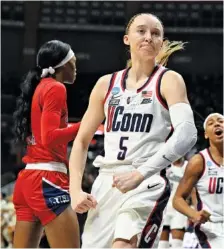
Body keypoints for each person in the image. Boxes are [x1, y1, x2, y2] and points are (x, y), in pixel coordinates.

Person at [69, 13, 197, 248]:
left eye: (156, 33)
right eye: (142, 31)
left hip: (146, 180)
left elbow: (187, 134)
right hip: (106, 183)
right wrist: (75, 190)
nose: (149, 37)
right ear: (127, 39)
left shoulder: (169, 80)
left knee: (123, 245)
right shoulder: (106, 84)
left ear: (161, 42)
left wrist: (140, 174)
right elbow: (80, 142)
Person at [12, 40, 83, 248]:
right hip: (47, 179)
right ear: (62, 65)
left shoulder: (39, 87)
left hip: (27, 180)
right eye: (74, 62)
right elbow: (50, 137)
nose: (77, 67)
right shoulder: (56, 88)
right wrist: (86, 123)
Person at [173, 113, 224, 248]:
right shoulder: (199, 161)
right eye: (211, 123)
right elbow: (177, 199)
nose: (217, 124)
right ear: (206, 134)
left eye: (220, 121)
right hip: (212, 228)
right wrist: (194, 214)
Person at [158, 157, 188, 248]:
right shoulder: (165, 165)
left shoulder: (187, 165)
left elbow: (193, 188)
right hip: (165, 206)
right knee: (162, 241)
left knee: (177, 241)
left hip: (179, 207)